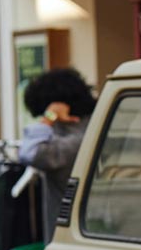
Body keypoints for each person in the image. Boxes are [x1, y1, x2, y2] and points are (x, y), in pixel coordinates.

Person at [19, 67, 96, 240]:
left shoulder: (72, 144)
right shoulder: (96, 131)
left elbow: (30, 152)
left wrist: (49, 116)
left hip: (68, 239)